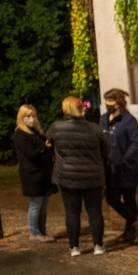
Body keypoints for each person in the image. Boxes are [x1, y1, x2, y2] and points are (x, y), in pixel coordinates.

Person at [46, 96, 110, 257]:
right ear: (82, 109)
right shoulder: (94, 128)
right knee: (95, 211)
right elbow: (106, 150)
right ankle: (98, 246)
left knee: (72, 212)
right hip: (93, 176)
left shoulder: (56, 128)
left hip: (67, 176)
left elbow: (49, 144)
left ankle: (74, 247)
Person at [99, 88, 138, 244]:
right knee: (111, 198)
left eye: (111, 101)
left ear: (119, 102)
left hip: (126, 169)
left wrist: (125, 159)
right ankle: (137, 224)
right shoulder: (104, 119)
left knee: (129, 199)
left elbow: (135, 143)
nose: (108, 104)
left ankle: (130, 232)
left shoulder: (128, 120)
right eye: (106, 100)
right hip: (110, 169)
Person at [12, 105, 55, 243]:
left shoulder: (36, 132)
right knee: (36, 204)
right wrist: (44, 147)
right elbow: (30, 154)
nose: (31, 119)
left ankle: (42, 231)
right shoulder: (20, 134)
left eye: (33, 116)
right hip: (33, 174)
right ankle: (34, 232)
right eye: (28, 116)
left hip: (44, 172)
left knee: (43, 204)